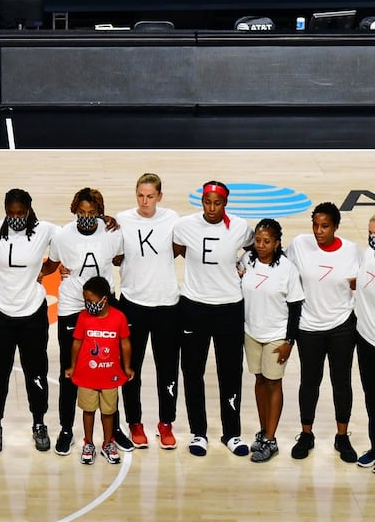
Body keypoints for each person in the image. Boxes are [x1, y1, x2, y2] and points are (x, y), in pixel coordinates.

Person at [173, 180, 254, 457]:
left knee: (230, 371)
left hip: (229, 307)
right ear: (202, 201)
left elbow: (256, 246)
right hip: (194, 306)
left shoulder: (241, 228)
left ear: (225, 203)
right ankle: (198, 433)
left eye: (217, 203)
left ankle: (232, 433)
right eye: (207, 202)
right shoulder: (185, 225)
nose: (211, 208)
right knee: (192, 371)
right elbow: (177, 247)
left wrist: (241, 265)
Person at [40, 187, 123, 456]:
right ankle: (66, 429)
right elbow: (51, 264)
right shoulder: (63, 236)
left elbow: (122, 259)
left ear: (100, 213)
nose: (86, 217)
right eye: (82, 212)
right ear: (75, 210)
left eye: (92, 213)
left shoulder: (112, 232)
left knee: (110, 367)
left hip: (104, 307)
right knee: (70, 370)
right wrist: (32, 273)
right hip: (72, 307)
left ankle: (115, 429)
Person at [0, 189, 58, 453]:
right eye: (10, 213)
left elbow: (72, 238)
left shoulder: (45, 230)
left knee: (36, 370)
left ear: (29, 210)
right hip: (0, 312)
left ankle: (38, 422)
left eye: (20, 213)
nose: (15, 218)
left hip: (33, 313)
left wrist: (49, 269)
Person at [286, 202, 360, 462]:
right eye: (315, 225)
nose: (319, 231)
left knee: (341, 383)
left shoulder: (352, 251)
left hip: (341, 327)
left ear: (336, 227)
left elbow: (359, 283)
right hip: (308, 328)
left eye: (325, 226)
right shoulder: (299, 244)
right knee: (309, 382)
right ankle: (306, 434)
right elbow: (284, 270)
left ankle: (342, 437)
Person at [114, 173, 181, 449]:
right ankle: (135, 422)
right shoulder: (122, 220)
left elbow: (181, 248)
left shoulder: (173, 219)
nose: (144, 201)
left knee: (168, 369)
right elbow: (112, 253)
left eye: (150, 196)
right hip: (132, 303)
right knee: (131, 368)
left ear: (160, 197)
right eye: (140, 195)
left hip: (166, 304)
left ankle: (166, 423)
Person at [238, 218, 304, 462]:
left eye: (267, 241)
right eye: (257, 240)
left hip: (277, 336)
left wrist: (290, 341)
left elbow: (295, 308)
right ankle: (263, 430)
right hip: (251, 333)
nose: (261, 245)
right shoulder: (247, 261)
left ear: (277, 243)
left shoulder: (288, 269)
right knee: (259, 380)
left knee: (273, 383)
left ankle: (271, 439)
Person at [65, 276, 133, 465]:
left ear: (104, 298)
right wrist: (72, 366)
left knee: (109, 411)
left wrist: (127, 367)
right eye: (85, 301)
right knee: (88, 410)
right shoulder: (83, 317)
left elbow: (125, 343)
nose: (88, 305)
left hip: (109, 375)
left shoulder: (119, 317)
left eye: (91, 301)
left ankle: (107, 443)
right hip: (87, 375)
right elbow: (77, 342)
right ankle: (88, 443)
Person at [354, 214, 375, 471]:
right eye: (371, 234)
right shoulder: (364, 256)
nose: (373, 239)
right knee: (372, 398)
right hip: (366, 339)